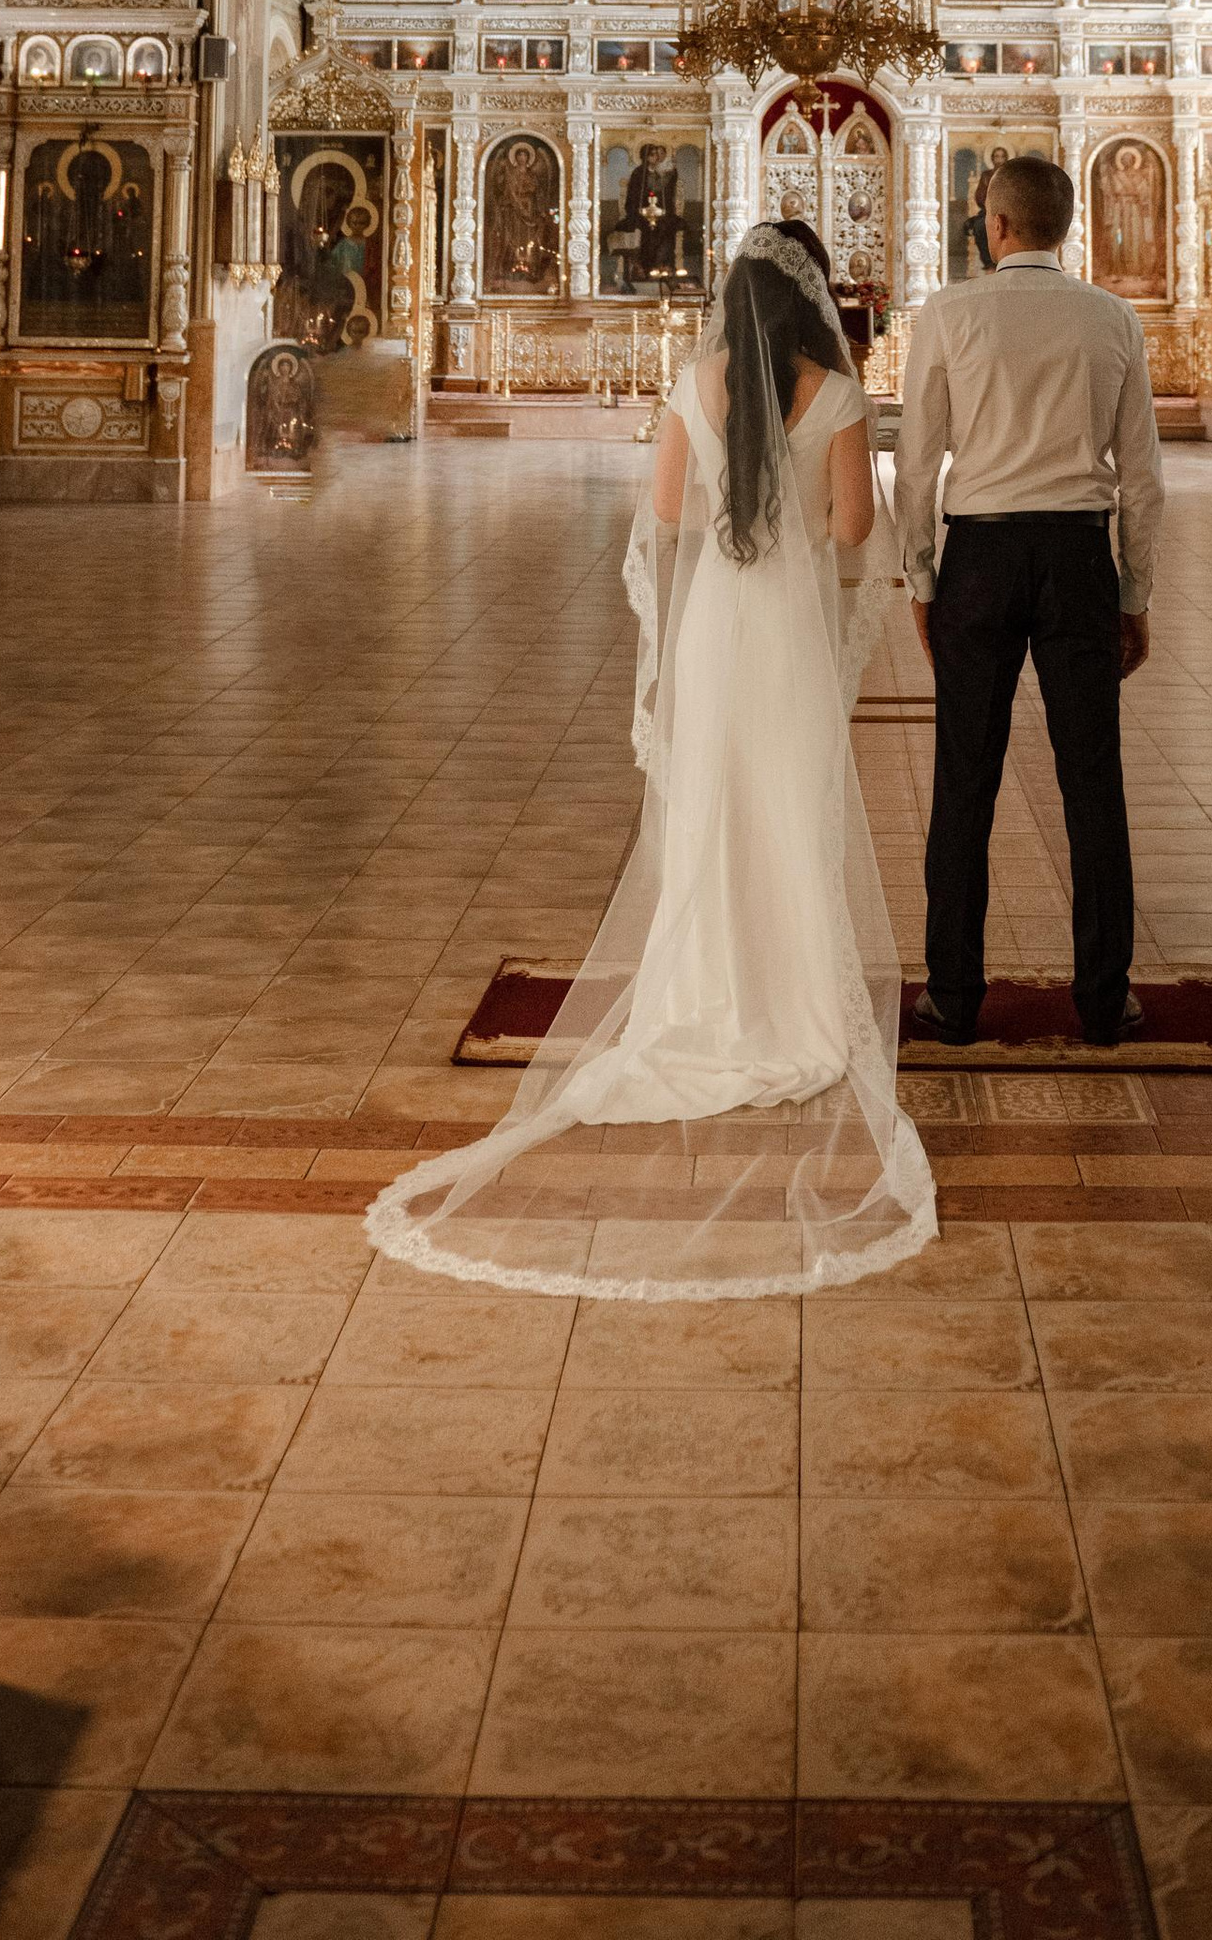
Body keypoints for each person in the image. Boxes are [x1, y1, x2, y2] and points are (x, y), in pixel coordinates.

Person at [366, 219, 935, 1300]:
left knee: (715, 799)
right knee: (790, 799)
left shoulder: (693, 381)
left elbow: (668, 512)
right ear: (814, 303)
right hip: (790, 627)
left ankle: (705, 993)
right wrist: (812, 517)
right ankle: (794, 996)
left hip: (718, 621)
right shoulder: (839, 394)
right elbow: (858, 526)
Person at [895, 152, 1165, 1047]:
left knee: (964, 774)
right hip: (1079, 554)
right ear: (1067, 224)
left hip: (979, 553)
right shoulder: (1112, 316)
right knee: (1093, 777)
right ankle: (1103, 998)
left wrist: (924, 578)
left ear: (995, 225)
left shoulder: (949, 313)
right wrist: (1134, 591)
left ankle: (955, 995)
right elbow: (1144, 473)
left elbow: (919, 458)